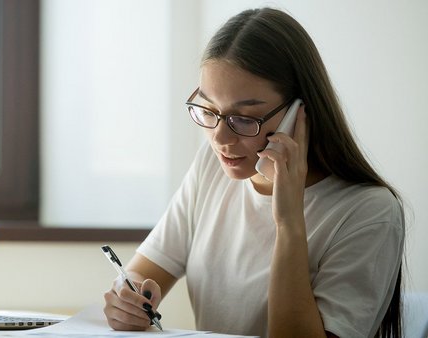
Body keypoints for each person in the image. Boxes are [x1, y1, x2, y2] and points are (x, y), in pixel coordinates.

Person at [102, 7, 404, 338]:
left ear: (298, 114)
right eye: (208, 110)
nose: (220, 138)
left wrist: (288, 223)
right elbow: (141, 276)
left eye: (244, 119)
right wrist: (126, 301)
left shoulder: (368, 212)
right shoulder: (213, 165)